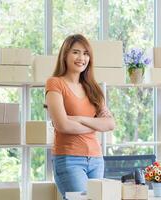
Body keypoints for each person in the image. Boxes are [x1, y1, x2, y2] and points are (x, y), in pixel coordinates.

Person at [45, 34, 115, 199]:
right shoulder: (55, 83)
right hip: (69, 158)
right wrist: (95, 124)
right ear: (65, 55)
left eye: (86, 53)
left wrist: (78, 118)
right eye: (76, 52)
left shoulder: (93, 88)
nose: (81, 58)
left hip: (96, 159)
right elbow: (63, 125)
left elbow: (110, 124)